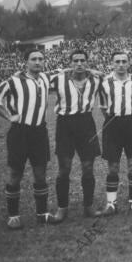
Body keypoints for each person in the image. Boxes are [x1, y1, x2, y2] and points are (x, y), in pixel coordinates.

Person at [0, 49, 59, 229]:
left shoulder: (45, 78)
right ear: (25, 61)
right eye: (33, 59)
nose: (37, 62)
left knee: (40, 173)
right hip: (19, 133)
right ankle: (13, 216)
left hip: (39, 132)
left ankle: (42, 214)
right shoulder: (14, 81)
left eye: (41, 59)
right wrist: (9, 116)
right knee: (15, 174)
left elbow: (70, 71)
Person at [50, 50, 104, 221]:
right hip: (65, 124)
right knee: (64, 168)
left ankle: (88, 207)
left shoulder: (96, 79)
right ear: (70, 62)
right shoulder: (58, 79)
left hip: (86, 124)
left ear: (87, 62)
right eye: (75, 60)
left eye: (82, 60)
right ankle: (62, 209)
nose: (79, 63)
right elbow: (36, 77)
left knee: (88, 167)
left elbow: (119, 75)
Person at [98, 51, 132, 215]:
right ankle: (111, 204)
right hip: (112, 124)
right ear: (112, 63)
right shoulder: (104, 82)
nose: (121, 64)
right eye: (117, 61)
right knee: (113, 167)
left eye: (124, 61)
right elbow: (103, 107)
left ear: (129, 63)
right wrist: (112, 119)